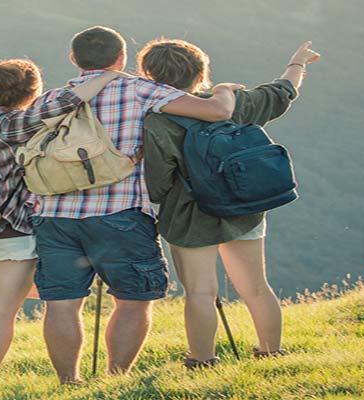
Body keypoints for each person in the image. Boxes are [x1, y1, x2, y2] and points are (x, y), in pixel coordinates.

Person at [31, 26, 241, 385]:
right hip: (121, 213)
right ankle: (115, 378)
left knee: (62, 302)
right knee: (133, 300)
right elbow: (218, 112)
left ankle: (69, 382)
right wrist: (225, 89)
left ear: (74, 59)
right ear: (121, 58)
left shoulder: (50, 100)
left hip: (54, 216)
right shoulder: (140, 90)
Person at [0, 59, 130, 390]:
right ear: (33, 90)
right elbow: (69, 101)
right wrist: (110, 74)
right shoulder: (15, 124)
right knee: (0, 311)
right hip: (12, 230)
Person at [139, 39, 320, 368]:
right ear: (201, 73)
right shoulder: (233, 101)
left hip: (189, 217)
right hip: (243, 207)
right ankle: (271, 352)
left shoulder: (156, 121)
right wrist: (297, 63)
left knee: (200, 293)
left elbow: (158, 181)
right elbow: (282, 92)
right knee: (256, 287)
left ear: (150, 77)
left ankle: (202, 360)